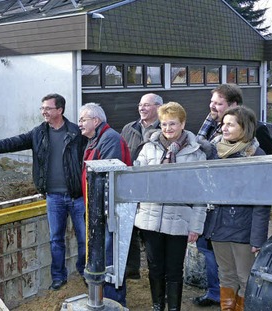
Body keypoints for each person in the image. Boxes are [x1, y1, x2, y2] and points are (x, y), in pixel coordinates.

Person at [0, 93, 87, 291]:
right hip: (53, 197)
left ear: (60, 110)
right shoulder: (38, 133)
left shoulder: (76, 132)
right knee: (56, 239)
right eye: (42, 108)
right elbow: (12, 142)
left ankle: (84, 272)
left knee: (84, 238)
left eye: (48, 108)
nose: (43, 112)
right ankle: (58, 277)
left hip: (77, 196)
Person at [193, 83, 272, 307]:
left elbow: (261, 202)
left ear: (244, 127)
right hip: (218, 226)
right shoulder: (214, 152)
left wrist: (257, 237)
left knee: (245, 276)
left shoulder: (255, 155)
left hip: (243, 228)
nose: (224, 128)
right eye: (223, 124)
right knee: (226, 275)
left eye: (230, 124)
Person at [134, 102, 207, 311]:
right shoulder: (149, 148)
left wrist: (196, 225)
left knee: (174, 269)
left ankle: (173, 308)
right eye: (164, 124)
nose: (167, 129)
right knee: (154, 267)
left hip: (179, 218)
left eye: (172, 124)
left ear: (182, 124)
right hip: (150, 217)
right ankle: (158, 305)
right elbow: (137, 180)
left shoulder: (196, 153)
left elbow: (201, 194)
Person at [79, 102, 132, 306]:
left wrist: (101, 213)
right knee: (101, 257)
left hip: (108, 214)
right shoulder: (96, 139)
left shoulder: (110, 139)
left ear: (96, 120)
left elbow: (110, 178)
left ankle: (114, 302)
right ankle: (104, 299)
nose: (80, 124)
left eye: (83, 119)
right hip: (97, 212)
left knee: (109, 259)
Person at [120, 93, 163, 280]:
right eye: (140, 105)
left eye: (147, 105)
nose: (142, 108)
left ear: (158, 108)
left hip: (154, 189)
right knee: (129, 228)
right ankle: (132, 269)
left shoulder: (166, 129)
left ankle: (157, 270)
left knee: (152, 232)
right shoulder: (128, 128)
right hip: (131, 186)